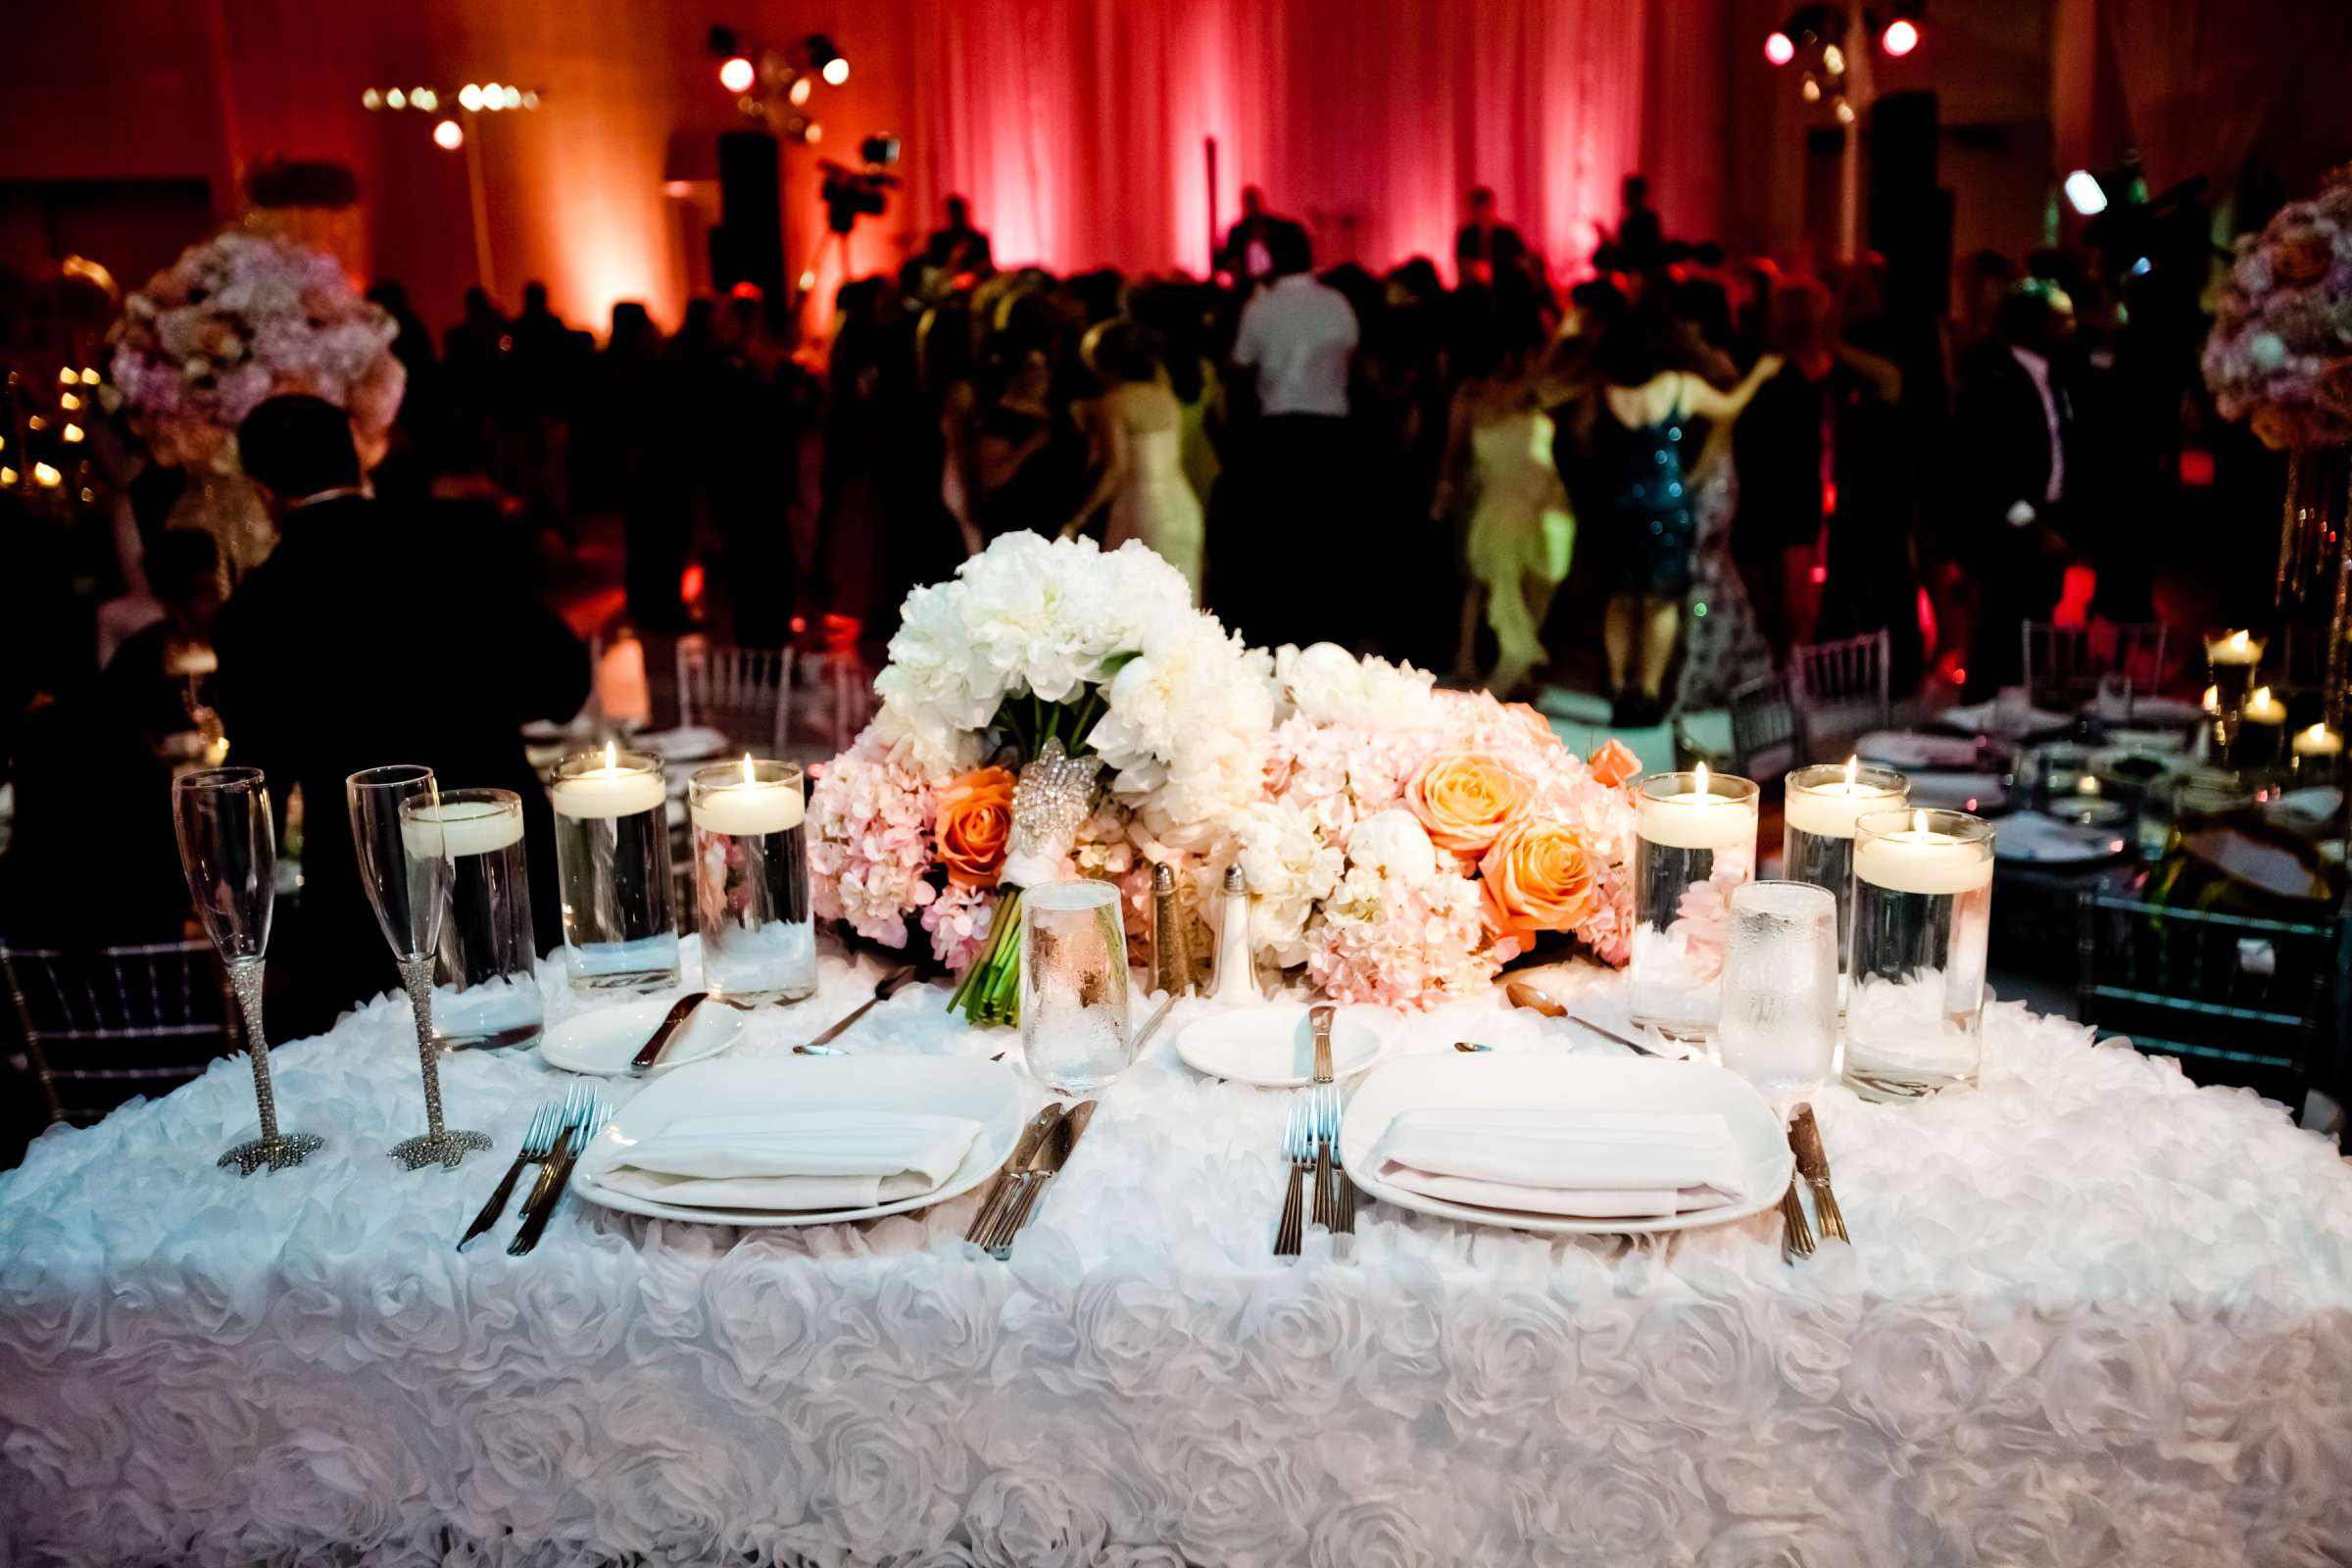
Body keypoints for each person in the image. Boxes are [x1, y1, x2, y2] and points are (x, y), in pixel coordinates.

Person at [209, 395, 588, 1037]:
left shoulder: (255, 610)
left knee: (414, 1078)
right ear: (359, 451)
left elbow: (252, 785)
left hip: (371, 895)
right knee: (543, 1042)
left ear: (261, 490)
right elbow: (562, 685)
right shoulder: (463, 537)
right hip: (507, 860)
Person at [1580, 306, 1780, 725]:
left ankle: (1620, 687)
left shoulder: (1605, 388)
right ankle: (1648, 693)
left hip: (1619, 507)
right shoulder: (1678, 386)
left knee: (1619, 600)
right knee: (1659, 605)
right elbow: (1729, 406)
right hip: (1666, 508)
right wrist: (1758, 376)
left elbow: (1581, 433)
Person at [1430, 295, 1573, 698]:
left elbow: (1575, 383)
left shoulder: (1537, 393)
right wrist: (1445, 492)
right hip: (1498, 504)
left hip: (1547, 505)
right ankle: (1487, 665)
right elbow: (1454, 452)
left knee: (1539, 579)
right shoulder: (1477, 396)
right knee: (1485, 580)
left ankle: (1517, 663)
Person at [1223, 224, 1358, 647]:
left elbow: (1241, 364)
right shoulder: (1336, 303)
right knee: (1329, 532)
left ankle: (1283, 631)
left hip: (1279, 432)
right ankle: (1329, 628)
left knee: (1281, 537)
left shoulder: (1261, 309)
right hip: (1331, 431)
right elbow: (1350, 354)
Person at [1954, 280, 2078, 699]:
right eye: (2061, 319)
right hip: (2008, 534)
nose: (2072, 328)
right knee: (1998, 644)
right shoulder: (1994, 375)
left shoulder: (2055, 372)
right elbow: (1982, 466)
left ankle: (2020, 719)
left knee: (2033, 643)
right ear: (2030, 324)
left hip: (2047, 520)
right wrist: (2033, 527)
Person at [1074, 320, 1204, 598]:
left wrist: (1079, 517)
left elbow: (1115, 469)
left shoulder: (1114, 403)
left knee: (1135, 599)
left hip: (1141, 510)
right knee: (1179, 597)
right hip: (1182, 504)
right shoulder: (1165, 396)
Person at [102, 529, 221, 747]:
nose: (192, 612)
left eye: (202, 592)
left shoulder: (242, 642)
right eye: (177, 602)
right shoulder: (138, 657)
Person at [972, 343, 1091, 541]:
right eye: (1033, 367)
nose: (1043, 374)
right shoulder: (1000, 420)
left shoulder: (1059, 414)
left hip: (1061, 527)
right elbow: (991, 477)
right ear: (1013, 372)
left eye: (1044, 366)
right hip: (1019, 528)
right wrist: (1031, 445)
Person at [1219, 186, 1309, 289]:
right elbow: (1232, 258)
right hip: (1255, 281)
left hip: (1268, 280)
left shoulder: (1275, 228)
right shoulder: (1238, 231)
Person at [1453, 186, 1528, 288]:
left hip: (1505, 285)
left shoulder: (1507, 234)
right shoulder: (1466, 234)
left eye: (1484, 208)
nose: (1482, 213)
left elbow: (1520, 260)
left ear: (1491, 207)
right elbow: (1461, 261)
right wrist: (1476, 269)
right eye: (1478, 209)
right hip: (1475, 286)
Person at [922, 195, 995, 278]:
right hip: (945, 285)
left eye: (958, 212)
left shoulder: (979, 239)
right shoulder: (938, 240)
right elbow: (932, 268)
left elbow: (986, 265)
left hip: (975, 284)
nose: (956, 216)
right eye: (953, 212)